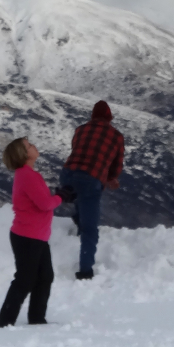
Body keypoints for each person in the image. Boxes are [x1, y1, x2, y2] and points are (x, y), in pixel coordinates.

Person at [0, 137, 66, 328]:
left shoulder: (26, 174)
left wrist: (58, 197)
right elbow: (45, 204)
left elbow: (42, 201)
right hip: (29, 236)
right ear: (24, 154)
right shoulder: (28, 176)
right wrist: (61, 197)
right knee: (25, 280)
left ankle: (37, 319)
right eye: (30, 145)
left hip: (35, 236)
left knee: (44, 277)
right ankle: (5, 322)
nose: (35, 146)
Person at [60, 100, 124, 281]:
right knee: (90, 229)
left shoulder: (80, 129)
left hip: (67, 174)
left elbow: (76, 149)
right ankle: (85, 271)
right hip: (90, 179)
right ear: (109, 117)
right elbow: (116, 165)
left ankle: (78, 218)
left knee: (77, 192)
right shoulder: (116, 136)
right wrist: (111, 178)